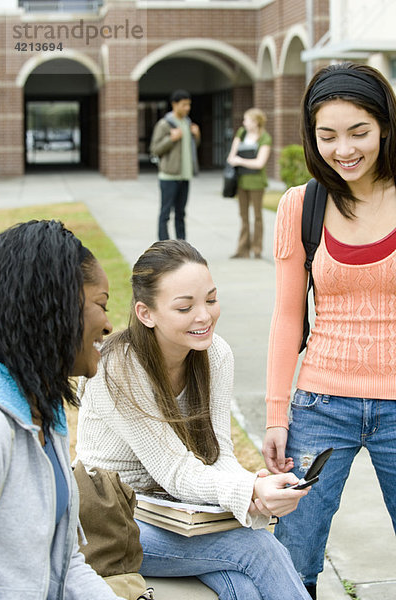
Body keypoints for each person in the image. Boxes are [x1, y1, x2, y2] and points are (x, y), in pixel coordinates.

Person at [75, 238, 312, 600]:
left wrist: (256, 487)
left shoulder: (215, 354)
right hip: (117, 519)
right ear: (146, 313)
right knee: (256, 549)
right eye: (185, 307)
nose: (204, 316)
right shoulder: (117, 367)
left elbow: (218, 455)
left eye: (211, 300)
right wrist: (247, 491)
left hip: (180, 513)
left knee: (246, 585)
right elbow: (174, 469)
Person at [262, 62, 396, 600]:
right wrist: (276, 414)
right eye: (328, 135)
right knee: (294, 556)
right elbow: (287, 317)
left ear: (385, 126)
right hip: (321, 404)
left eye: (359, 131)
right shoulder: (302, 204)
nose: (344, 149)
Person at [0, 219, 124, 599]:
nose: (108, 325)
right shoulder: (0, 427)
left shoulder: (45, 415)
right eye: (100, 305)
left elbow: (63, 563)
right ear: (52, 307)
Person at [150, 89, 201, 241]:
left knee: (181, 213)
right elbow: (154, 149)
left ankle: (182, 246)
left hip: (185, 175)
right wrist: (171, 139)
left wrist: (197, 136)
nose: (187, 108)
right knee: (165, 213)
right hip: (169, 176)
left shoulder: (188, 123)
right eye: (184, 105)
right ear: (174, 104)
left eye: (189, 105)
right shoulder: (165, 124)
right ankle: (163, 246)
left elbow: (192, 147)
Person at [227, 108, 271, 259]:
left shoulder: (264, 138)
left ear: (256, 122)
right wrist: (238, 160)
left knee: (257, 216)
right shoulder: (242, 133)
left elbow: (260, 163)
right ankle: (242, 249)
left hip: (257, 183)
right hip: (241, 181)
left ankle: (257, 249)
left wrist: (240, 161)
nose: (244, 123)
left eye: (247, 120)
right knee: (243, 216)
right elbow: (231, 156)